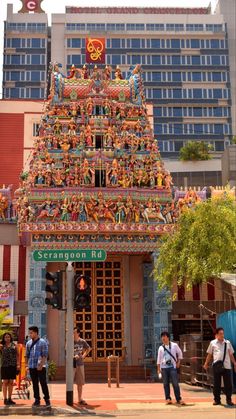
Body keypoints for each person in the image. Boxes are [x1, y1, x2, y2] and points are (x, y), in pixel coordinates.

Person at [203, 327, 236, 406]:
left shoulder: (227, 343)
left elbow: (231, 354)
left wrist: (234, 363)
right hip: (217, 366)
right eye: (220, 334)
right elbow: (209, 354)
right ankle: (217, 400)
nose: (222, 335)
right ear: (216, 335)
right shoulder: (213, 343)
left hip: (227, 366)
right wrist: (206, 363)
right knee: (216, 384)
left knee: (229, 384)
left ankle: (229, 399)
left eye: (223, 333)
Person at [157, 331, 185, 405]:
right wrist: (158, 370)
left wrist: (178, 362)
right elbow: (159, 359)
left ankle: (178, 398)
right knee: (165, 384)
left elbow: (180, 353)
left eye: (164, 336)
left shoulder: (174, 345)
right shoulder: (160, 348)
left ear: (168, 337)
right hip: (164, 367)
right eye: (162, 337)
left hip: (172, 367)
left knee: (175, 383)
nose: (163, 338)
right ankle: (168, 398)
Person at [25, 326, 51, 407]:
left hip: (41, 367)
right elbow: (27, 355)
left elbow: (45, 355)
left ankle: (47, 399)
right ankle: (37, 399)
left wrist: (41, 365)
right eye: (29, 333)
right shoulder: (28, 343)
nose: (30, 334)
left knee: (43, 383)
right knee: (35, 383)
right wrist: (27, 366)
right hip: (32, 366)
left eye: (31, 333)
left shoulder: (43, 342)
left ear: (36, 333)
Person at [0, 332, 20, 405]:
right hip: (4, 366)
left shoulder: (14, 345)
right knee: (5, 382)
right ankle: (5, 399)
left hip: (12, 366)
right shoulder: (2, 346)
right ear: (4, 338)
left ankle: (9, 399)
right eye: (5, 337)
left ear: (10, 338)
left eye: (8, 337)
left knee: (11, 382)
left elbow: (18, 355)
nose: (7, 338)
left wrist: (18, 364)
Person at [73, 327, 91, 405]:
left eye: (74, 332)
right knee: (70, 382)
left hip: (80, 364)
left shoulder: (82, 341)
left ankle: (80, 399)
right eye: (72, 332)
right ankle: (70, 398)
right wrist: (73, 356)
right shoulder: (70, 342)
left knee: (80, 383)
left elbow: (89, 348)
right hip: (72, 364)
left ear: (78, 333)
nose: (73, 334)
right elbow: (66, 351)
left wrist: (83, 356)